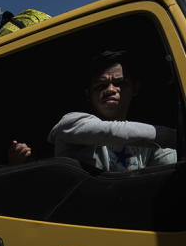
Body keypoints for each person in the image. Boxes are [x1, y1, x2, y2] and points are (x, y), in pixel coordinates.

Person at [10, 50, 178, 169]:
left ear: (135, 89)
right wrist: (176, 137)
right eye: (101, 85)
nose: (111, 89)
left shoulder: (150, 145)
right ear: (88, 94)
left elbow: (169, 164)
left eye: (119, 83)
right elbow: (110, 132)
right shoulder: (72, 123)